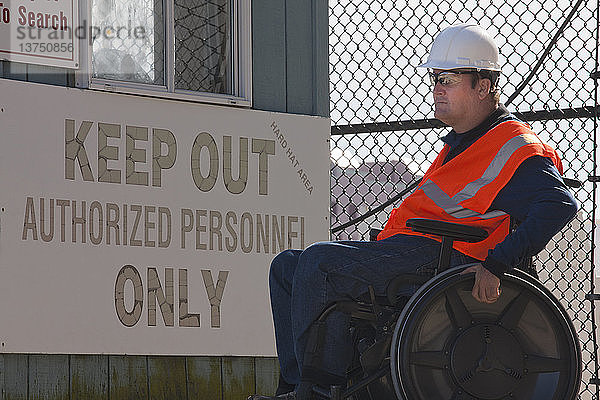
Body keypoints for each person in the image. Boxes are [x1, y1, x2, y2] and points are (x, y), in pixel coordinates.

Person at [248, 23, 578, 400]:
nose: (437, 88)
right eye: (435, 78)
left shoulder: (513, 144)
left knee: (319, 263)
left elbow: (560, 204)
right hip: (414, 248)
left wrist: (496, 264)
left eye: (449, 79)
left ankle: (318, 392)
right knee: (287, 266)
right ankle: (295, 388)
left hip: (445, 257)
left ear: (484, 86)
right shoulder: (463, 144)